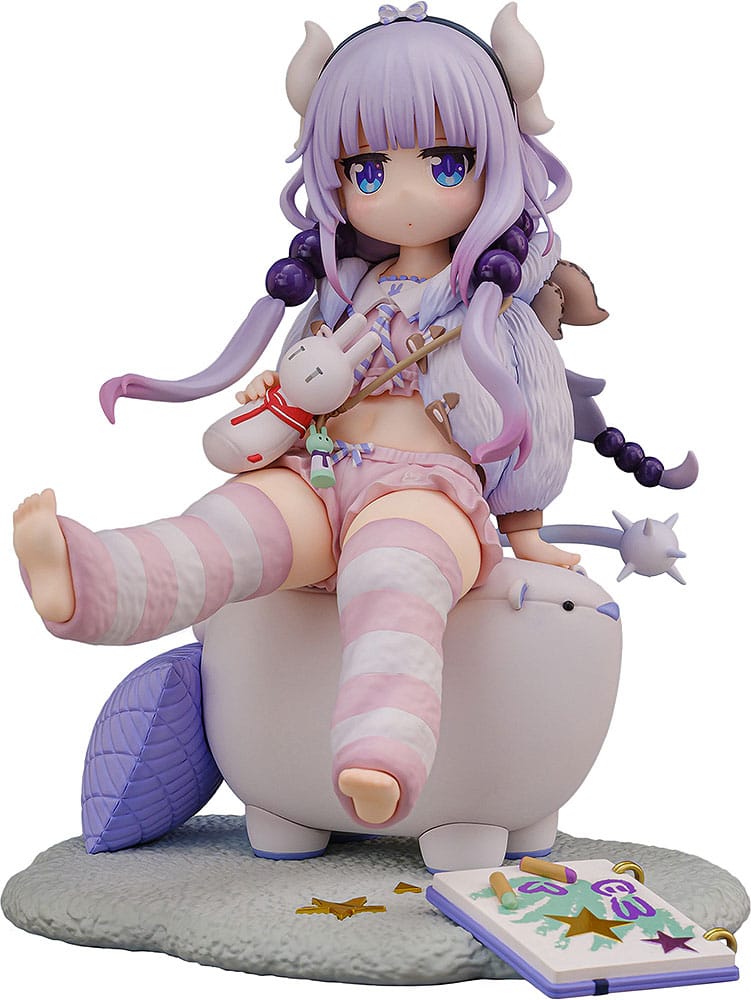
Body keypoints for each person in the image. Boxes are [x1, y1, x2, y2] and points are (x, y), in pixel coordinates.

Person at [11, 5, 659, 828]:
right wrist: (278, 395)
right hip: (318, 471)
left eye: (446, 163)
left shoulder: (491, 306)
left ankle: (381, 750)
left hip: (426, 490)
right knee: (226, 525)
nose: (407, 192)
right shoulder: (342, 293)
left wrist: (524, 527)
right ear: (335, 179)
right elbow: (307, 380)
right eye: (369, 170)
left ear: (496, 162)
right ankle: (94, 580)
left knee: (395, 574)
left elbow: (533, 410)